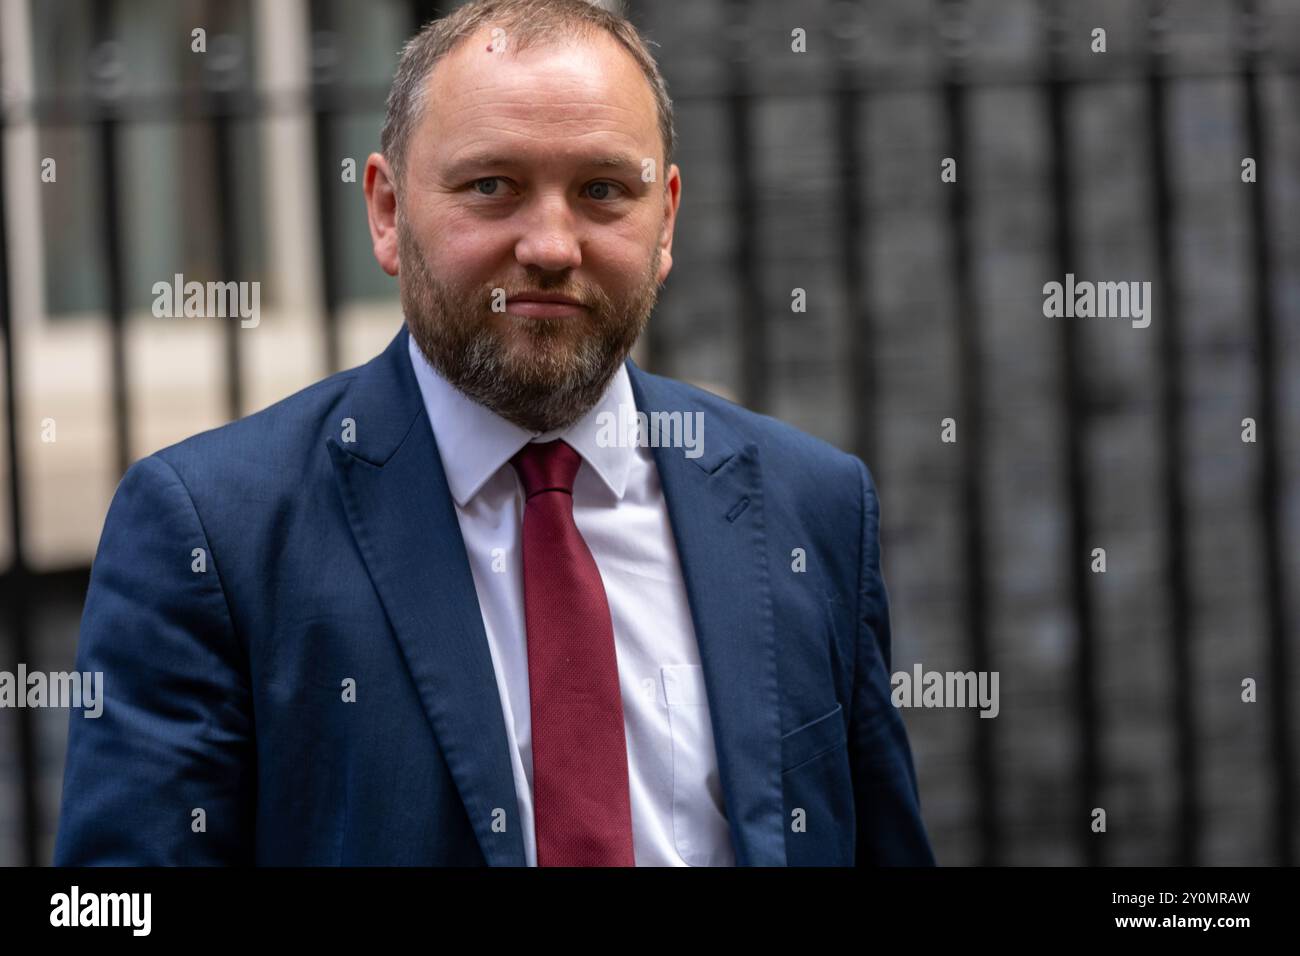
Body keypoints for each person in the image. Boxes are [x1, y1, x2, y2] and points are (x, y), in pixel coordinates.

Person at [54, 0, 934, 866]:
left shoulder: (810, 504)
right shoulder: (213, 531)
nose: (551, 244)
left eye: (601, 191)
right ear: (388, 211)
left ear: (665, 219)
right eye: (492, 186)